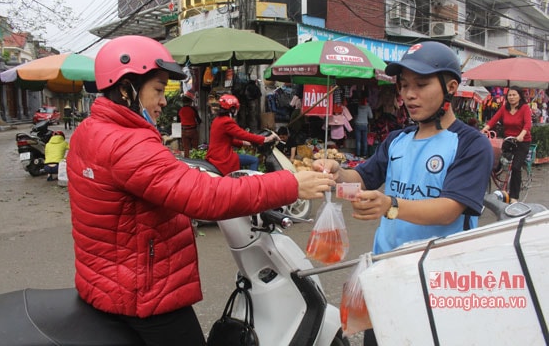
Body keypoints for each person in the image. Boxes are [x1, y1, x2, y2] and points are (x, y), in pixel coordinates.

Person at [66, 35, 334, 346]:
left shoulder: (91, 130)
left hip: (108, 280)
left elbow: (149, 181)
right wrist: (291, 183)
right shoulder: (126, 143)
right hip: (143, 293)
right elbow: (206, 197)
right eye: (157, 89)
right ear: (126, 89)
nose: (164, 100)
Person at [312, 41, 493, 345]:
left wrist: (390, 205)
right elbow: (364, 178)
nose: (409, 94)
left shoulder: (471, 144)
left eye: (421, 85)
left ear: (450, 87)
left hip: (439, 280)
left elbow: (450, 208)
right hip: (386, 273)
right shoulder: (397, 139)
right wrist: (337, 174)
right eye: (404, 85)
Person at [481, 86, 532, 203]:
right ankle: (498, 184)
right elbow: (493, 120)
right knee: (495, 161)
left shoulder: (524, 108)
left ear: (519, 96)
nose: (512, 97)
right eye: (509, 95)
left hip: (522, 141)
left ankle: (514, 197)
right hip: (508, 140)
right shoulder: (504, 109)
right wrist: (484, 130)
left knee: (515, 167)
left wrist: (521, 135)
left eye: (514, 95)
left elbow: (527, 125)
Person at [206, 94, 279, 175]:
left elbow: (224, 139)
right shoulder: (227, 121)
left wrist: (243, 143)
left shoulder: (217, 120)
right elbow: (243, 134)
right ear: (232, 109)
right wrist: (265, 139)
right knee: (254, 160)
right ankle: (250, 184)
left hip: (214, 155)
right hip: (222, 157)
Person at [177, 90, 201, 157]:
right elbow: (199, 120)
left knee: (186, 148)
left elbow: (178, 121)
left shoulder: (180, 110)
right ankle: (196, 159)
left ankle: (187, 161)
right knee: (195, 147)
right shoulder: (193, 109)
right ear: (190, 102)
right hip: (193, 130)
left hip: (184, 131)